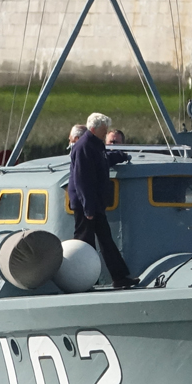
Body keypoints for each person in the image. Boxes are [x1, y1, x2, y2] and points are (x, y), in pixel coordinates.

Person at [68, 111, 134, 287]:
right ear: (93, 128)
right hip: (86, 205)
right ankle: (84, 280)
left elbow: (103, 161)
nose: (105, 133)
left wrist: (121, 156)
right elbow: (81, 180)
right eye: (103, 130)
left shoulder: (96, 145)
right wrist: (88, 208)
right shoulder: (83, 147)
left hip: (95, 203)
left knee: (106, 240)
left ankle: (119, 277)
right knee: (84, 243)